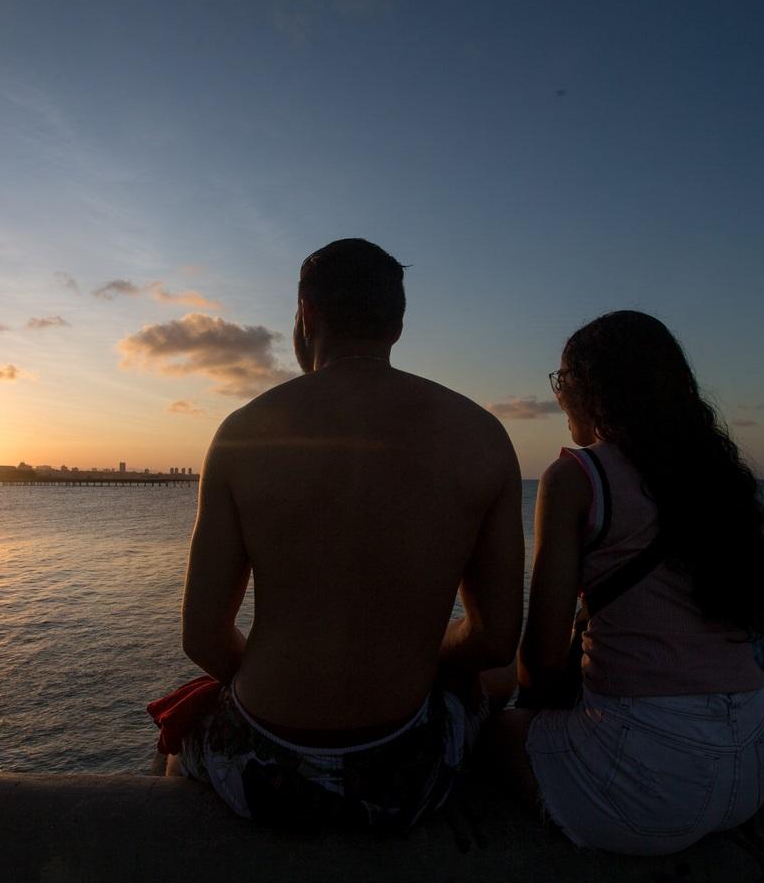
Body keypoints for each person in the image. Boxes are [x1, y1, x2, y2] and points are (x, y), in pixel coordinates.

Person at [163, 238, 524, 830]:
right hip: (408, 774)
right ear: (398, 325)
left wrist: (284, 690)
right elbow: (494, 640)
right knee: (500, 681)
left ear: (306, 314)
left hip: (264, 769)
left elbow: (203, 637)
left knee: (180, 734)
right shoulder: (482, 434)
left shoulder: (242, 432)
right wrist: (407, 666)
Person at [491, 310, 764, 855]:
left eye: (561, 380)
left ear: (589, 390)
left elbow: (542, 660)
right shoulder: (716, 476)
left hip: (649, 782)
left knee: (496, 734)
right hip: (752, 764)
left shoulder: (578, 476)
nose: (557, 396)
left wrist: (527, 707)